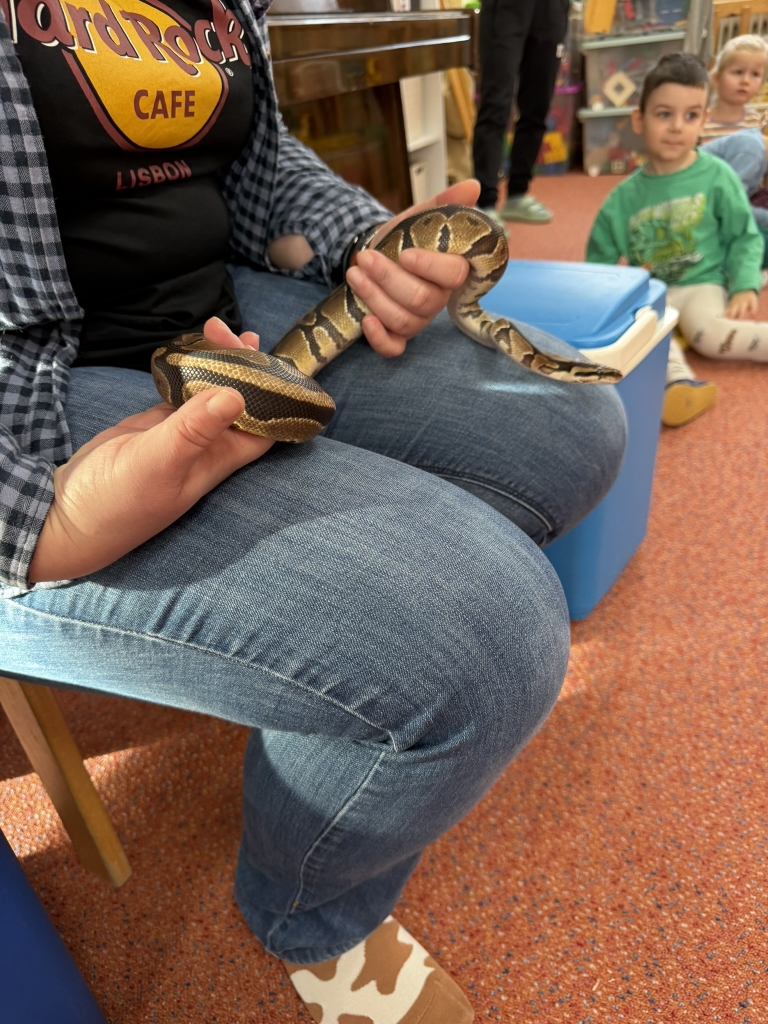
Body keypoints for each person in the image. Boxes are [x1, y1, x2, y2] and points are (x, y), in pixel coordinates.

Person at [0, 1, 627, 1020]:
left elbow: (258, 162)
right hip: (28, 403)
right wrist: (38, 518)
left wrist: (368, 244)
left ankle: (342, 679)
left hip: (220, 310)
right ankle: (309, 913)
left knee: (573, 426)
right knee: (487, 637)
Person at [587, 53, 767, 432]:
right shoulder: (620, 200)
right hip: (654, 291)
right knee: (647, 339)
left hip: (704, 282)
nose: (676, 127)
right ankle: (680, 385)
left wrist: (745, 284)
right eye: (664, 114)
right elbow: (599, 266)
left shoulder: (717, 176)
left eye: (690, 116)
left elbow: (743, 235)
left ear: (703, 121)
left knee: (708, 335)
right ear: (639, 119)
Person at [472, 0, 569, 226]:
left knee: (538, 104)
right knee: (496, 104)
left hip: (552, 8)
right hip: (505, 8)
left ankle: (517, 193)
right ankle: (485, 203)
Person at [698, 34, 768, 229]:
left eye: (755, 75)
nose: (745, 80)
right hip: (708, 198)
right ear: (716, 79)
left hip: (746, 199)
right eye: (738, 72)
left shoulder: (756, 123)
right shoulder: (700, 122)